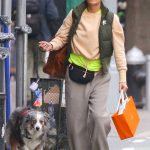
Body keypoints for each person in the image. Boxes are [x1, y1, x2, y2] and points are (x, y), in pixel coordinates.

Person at [39, 0, 128, 150]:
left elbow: (119, 51)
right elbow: (62, 37)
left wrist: (123, 78)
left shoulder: (112, 19)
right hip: (75, 74)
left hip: (99, 76)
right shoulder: (75, 14)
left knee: (100, 118)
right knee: (75, 126)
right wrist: (51, 45)